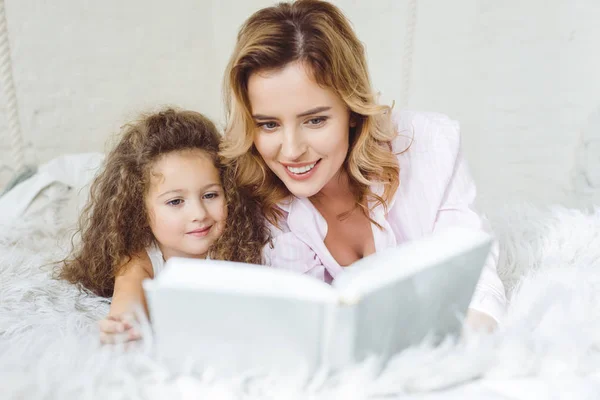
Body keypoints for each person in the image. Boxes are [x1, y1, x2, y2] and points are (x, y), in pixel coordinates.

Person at [219, 0, 506, 330]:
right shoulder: (246, 196)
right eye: (268, 124)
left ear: (352, 110)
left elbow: (475, 281)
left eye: (314, 120)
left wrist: (466, 349)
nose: (292, 150)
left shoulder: (431, 146)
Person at [56, 108, 268, 343]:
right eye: (176, 201)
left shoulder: (240, 245)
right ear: (138, 210)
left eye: (210, 195)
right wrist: (122, 325)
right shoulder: (141, 259)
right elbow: (127, 303)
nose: (198, 214)